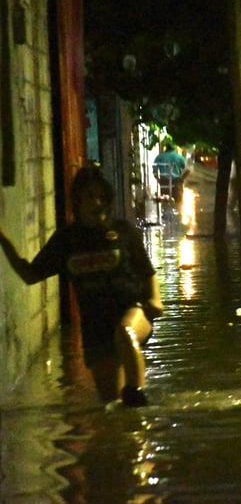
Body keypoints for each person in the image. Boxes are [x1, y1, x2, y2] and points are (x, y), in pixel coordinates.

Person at [0, 163, 163, 406]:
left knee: (125, 334)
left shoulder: (123, 232)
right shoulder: (67, 240)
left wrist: (155, 300)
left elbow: (147, 271)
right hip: (95, 326)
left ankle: (137, 394)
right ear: (77, 200)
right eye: (89, 196)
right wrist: (2, 238)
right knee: (111, 404)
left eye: (100, 197)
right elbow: (30, 274)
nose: (96, 203)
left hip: (132, 310)